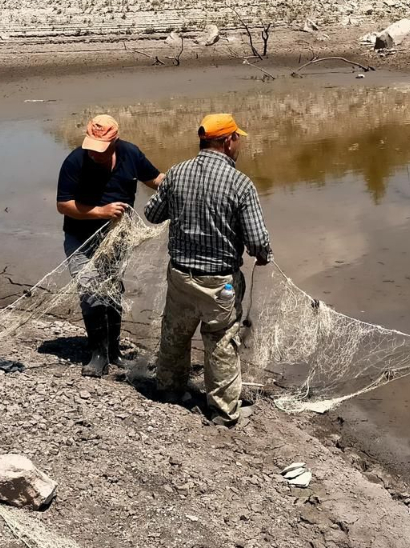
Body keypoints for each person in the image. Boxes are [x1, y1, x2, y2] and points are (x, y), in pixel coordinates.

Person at [144, 113, 271, 427]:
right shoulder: (240, 183)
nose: (238, 143)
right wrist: (264, 253)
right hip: (219, 281)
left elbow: (152, 214)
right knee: (221, 341)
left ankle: (169, 391)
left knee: (175, 333)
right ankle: (223, 411)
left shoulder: (177, 172)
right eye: (237, 138)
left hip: (180, 275)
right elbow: (257, 240)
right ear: (228, 142)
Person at [57, 114, 163, 377]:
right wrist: (100, 211)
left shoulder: (130, 153)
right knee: (91, 290)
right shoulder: (75, 161)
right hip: (80, 238)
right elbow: (63, 204)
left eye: (100, 150)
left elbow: (155, 180)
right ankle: (97, 354)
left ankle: (113, 351)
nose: (95, 154)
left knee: (113, 290)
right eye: (92, 147)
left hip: (118, 238)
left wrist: (183, 181)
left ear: (114, 142)